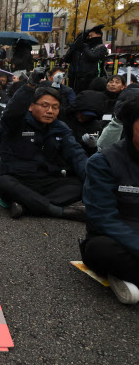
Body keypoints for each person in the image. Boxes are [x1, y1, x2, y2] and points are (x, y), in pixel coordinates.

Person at [0, 68, 89, 221]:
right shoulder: (17, 123)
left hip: (47, 182)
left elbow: (76, 154)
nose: (50, 111)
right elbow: (12, 111)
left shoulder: (61, 128)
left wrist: (95, 182)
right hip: (18, 181)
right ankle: (59, 211)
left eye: (55, 107)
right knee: (3, 182)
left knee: (81, 183)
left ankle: (26, 205)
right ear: (31, 106)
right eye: (45, 105)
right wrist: (30, 85)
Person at [78, 96, 139, 304]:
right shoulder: (103, 161)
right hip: (116, 239)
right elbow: (103, 218)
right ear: (131, 125)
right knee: (101, 250)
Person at [64, 25, 108, 93]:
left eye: (91, 36)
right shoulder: (79, 49)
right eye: (88, 37)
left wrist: (85, 47)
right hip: (74, 79)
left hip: (90, 80)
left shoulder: (100, 48)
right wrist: (73, 47)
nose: (89, 38)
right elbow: (67, 59)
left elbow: (93, 57)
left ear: (98, 35)